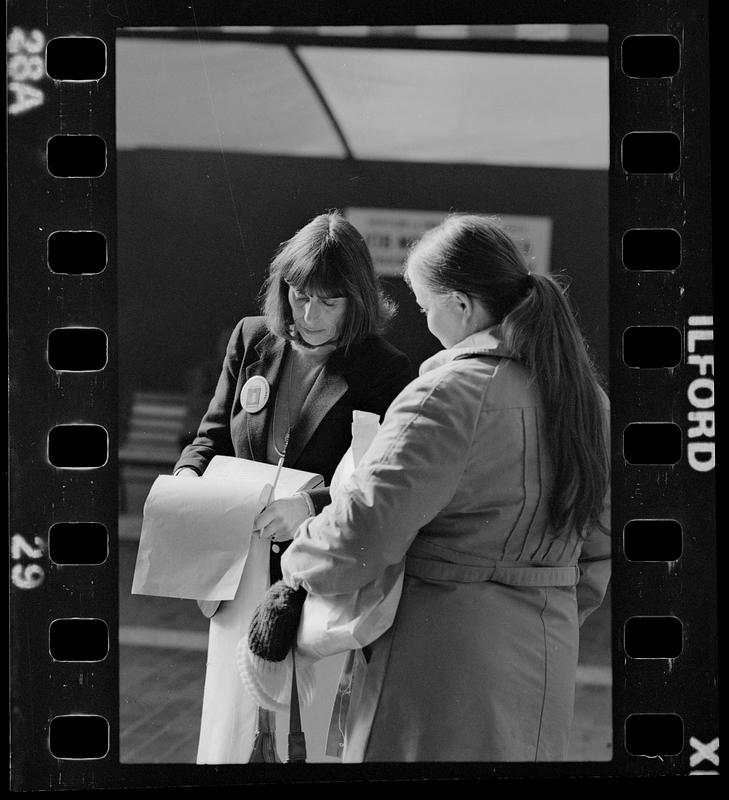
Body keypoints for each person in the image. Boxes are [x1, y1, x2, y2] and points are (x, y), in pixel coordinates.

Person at [266, 213, 610, 762]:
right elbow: (596, 550)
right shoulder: (585, 396)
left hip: (435, 658)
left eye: (426, 307)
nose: (425, 322)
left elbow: (363, 533)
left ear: (462, 305)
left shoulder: (446, 393)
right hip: (546, 652)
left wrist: (295, 561)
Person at [173, 210, 413, 763]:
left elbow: (383, 482)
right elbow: (212, 435)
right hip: (238, 562)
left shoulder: (385, 369)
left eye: (328, 301)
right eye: (299, 295)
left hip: (314, 574)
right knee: (230, 721)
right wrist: (188, 479)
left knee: (298, 726)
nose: (308, 313)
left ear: (357, 300)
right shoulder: (251, 337)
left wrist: (311, 503)